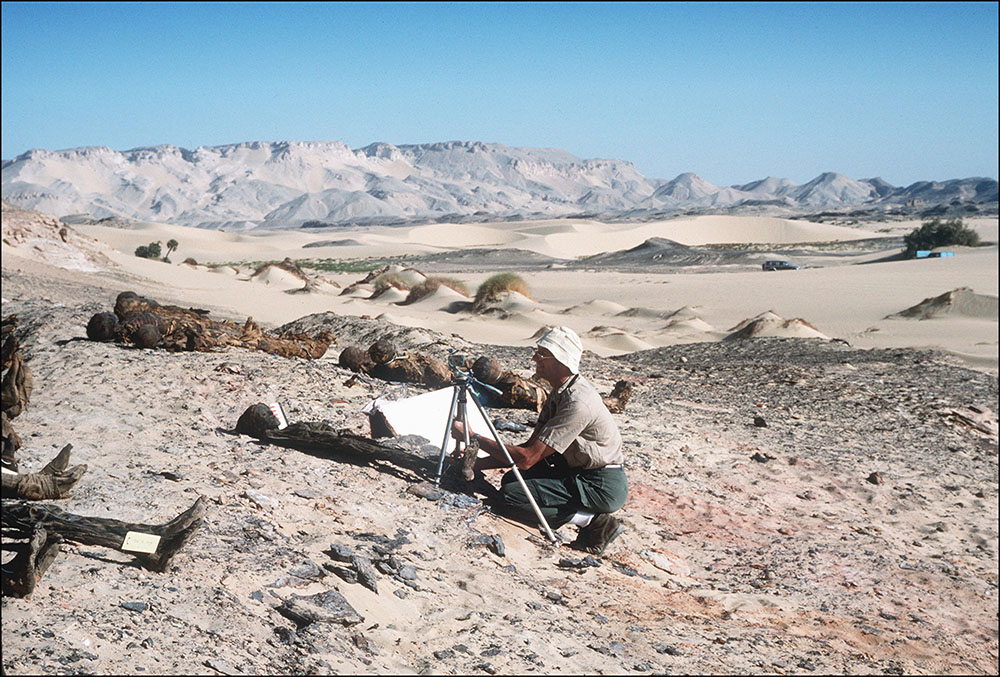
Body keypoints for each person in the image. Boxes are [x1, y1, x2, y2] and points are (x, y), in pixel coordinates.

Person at [452, 326, 628, 555]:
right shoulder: (560, 393)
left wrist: (473, 437)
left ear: (559, 360)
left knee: (511, 497)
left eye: (542, 354)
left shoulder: (578, 403)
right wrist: (478, 463)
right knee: (513, 479)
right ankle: (582, 514)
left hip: (600, 484)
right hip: (578, 473)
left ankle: (592, 521)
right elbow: (528, 450)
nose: (535, 358)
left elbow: (527, 458)